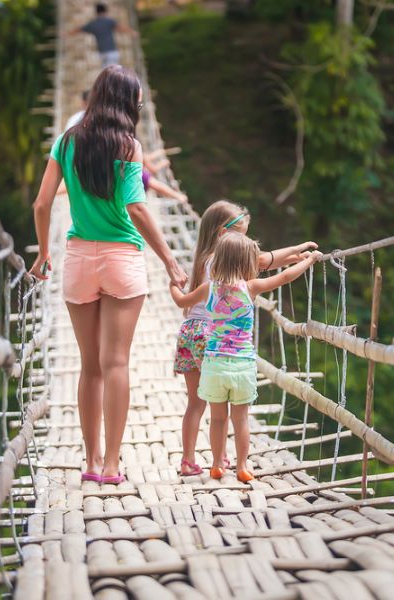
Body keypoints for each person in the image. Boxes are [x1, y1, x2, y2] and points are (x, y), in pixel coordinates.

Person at [30, 65, 188, 485]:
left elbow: (42, 204)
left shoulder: (66, 142)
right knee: (116, 362)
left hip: (78, 259)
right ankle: (114, 466)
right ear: (126, 102)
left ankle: (91, 461)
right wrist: (171, 262)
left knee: (89, 366)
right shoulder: (129, 146)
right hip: (122, 260)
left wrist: (45, 252)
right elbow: (137, 208)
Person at [171, 200, 317, 477]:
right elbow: (267, 263)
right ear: (224, 234)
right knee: (231, 409)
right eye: (244, 234)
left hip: (191, 330)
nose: (248, 241)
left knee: (198, 404)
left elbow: (267, 260)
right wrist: (301, 254)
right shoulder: (233, 268)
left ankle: (190, 460)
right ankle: (231, 461)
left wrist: (295, 253)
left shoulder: (206, 261)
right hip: (213, 338)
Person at [66, 3, 137, 68]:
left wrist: (67, 34)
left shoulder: (93, 24)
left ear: (96, 12)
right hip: (112, 52)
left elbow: (79, 29)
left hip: (102, 53)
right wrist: (132, 32)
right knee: (114, 72)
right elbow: (121, 28)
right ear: (105, 11)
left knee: (106, 73)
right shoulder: (109, 21)